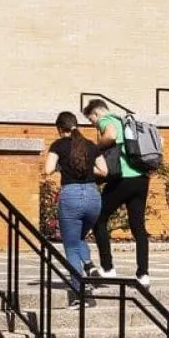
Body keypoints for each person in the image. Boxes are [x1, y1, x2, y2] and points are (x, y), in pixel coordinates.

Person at [42, 110, 105, 305]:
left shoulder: (58, 145)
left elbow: (47, 169)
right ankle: (89, 265)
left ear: (60, 129)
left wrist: (63, 166)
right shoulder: (90, 145)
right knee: (78, 237)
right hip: (93, 197)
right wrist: (86, 169)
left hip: (71, 196)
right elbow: (104, 170)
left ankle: (81, 295)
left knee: (70, 246)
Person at [89, 97, 152, 287]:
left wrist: (95, 147)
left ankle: (107, 268)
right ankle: (143, 274)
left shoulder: (106, 120)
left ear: (96, 113)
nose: (93, 124)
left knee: (98, 219)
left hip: (123, 179)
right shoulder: (126, 121)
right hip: (141, 178)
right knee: (138, 228)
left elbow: (109, 135)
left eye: (91, 120)